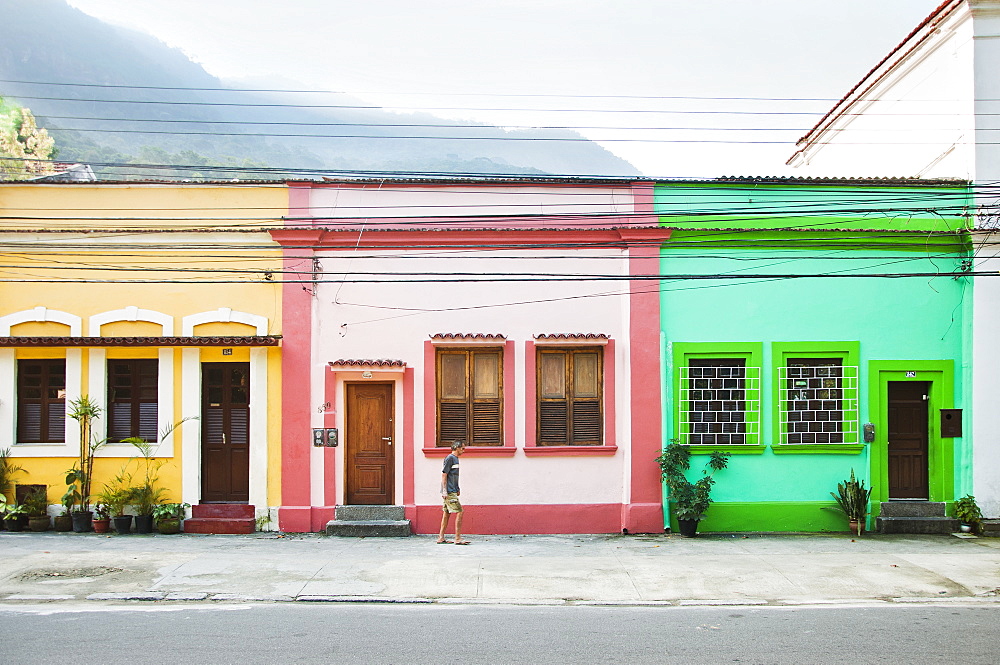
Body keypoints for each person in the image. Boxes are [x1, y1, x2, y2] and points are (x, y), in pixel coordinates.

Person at [437, 441, 469, 545]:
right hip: (449, 491)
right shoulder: (450, 458)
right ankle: (458, 538)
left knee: (446, 513)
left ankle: (441, 538)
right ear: (457, 448)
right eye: (462, 448)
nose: (464, 451)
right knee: (460, 512)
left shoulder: (456, 459)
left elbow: (454, 476)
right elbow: (444, 474)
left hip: (453, 490)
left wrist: (457, 488)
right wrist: (444, 491)